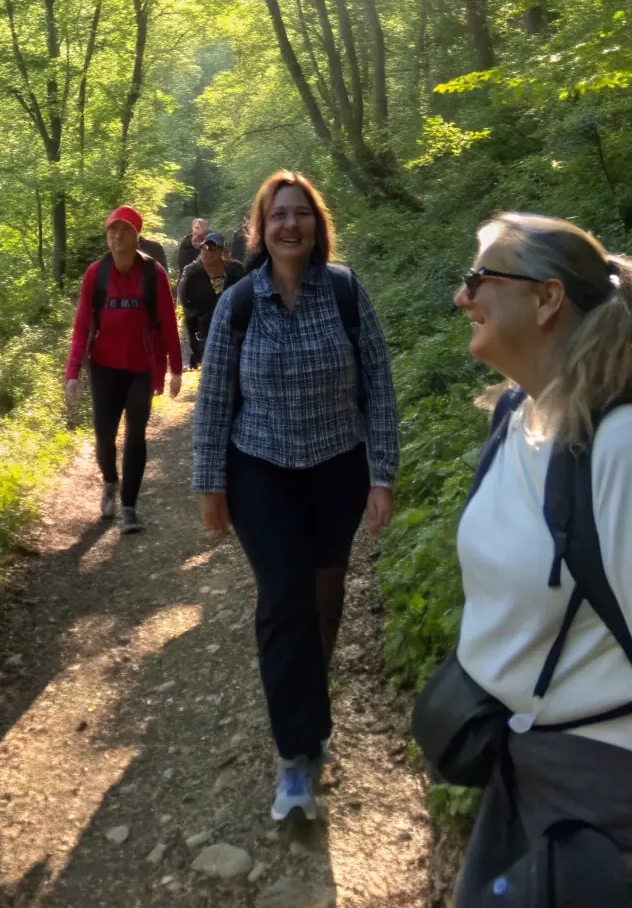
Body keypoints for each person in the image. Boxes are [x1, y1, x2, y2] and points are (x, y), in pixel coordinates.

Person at [449, 213, 632, 908]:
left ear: (548, 299)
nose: (463, 298)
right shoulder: (519, 416)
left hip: (617, 808)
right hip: (527, 773)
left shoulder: (629, 451)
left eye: (480, 278)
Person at [193, 171, 399, 823]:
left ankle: (307, 701)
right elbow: (215, 398)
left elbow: (380, 384)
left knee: (325, 597)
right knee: (284, 599)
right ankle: (295, 760)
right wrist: (211, 485)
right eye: (278, 215)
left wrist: (382, 475)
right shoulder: (239, 303)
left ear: (316, 224)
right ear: (260, 227)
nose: (290, 225)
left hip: (337, 464)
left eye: (301, 214)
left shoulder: (344, 291)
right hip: (261, 468)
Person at [65, 206, 182, 534]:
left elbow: (168, 323)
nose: (117, 236)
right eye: (112, 231)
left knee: (136, 434)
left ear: (137, 236)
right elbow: (81, 326)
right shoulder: (95, 274)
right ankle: (110, 483)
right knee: (104, 438)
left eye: (125, 230)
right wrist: (72, 373)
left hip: (142, 367)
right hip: (104, 367)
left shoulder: (153, 273)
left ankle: (129, 506)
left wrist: (175, 368)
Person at [178, 232, 244, 367]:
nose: (208, 253)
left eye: (214, 250)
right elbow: (185, 302)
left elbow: (246, 297)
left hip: (233, 333)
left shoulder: (235, 270)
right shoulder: (191, 272)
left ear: (221, 251)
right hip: (204, 334)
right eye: (205, 248)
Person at [175, 218, 210, 367]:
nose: (197, 229)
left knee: (206, 325)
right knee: (191, 327)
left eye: (200, 226)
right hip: (189, 292)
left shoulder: (211, 241)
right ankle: (195, 358)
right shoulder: (186, 242)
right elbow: (183, 264)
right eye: (195, 226)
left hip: (207, 292)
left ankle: (204, 358)